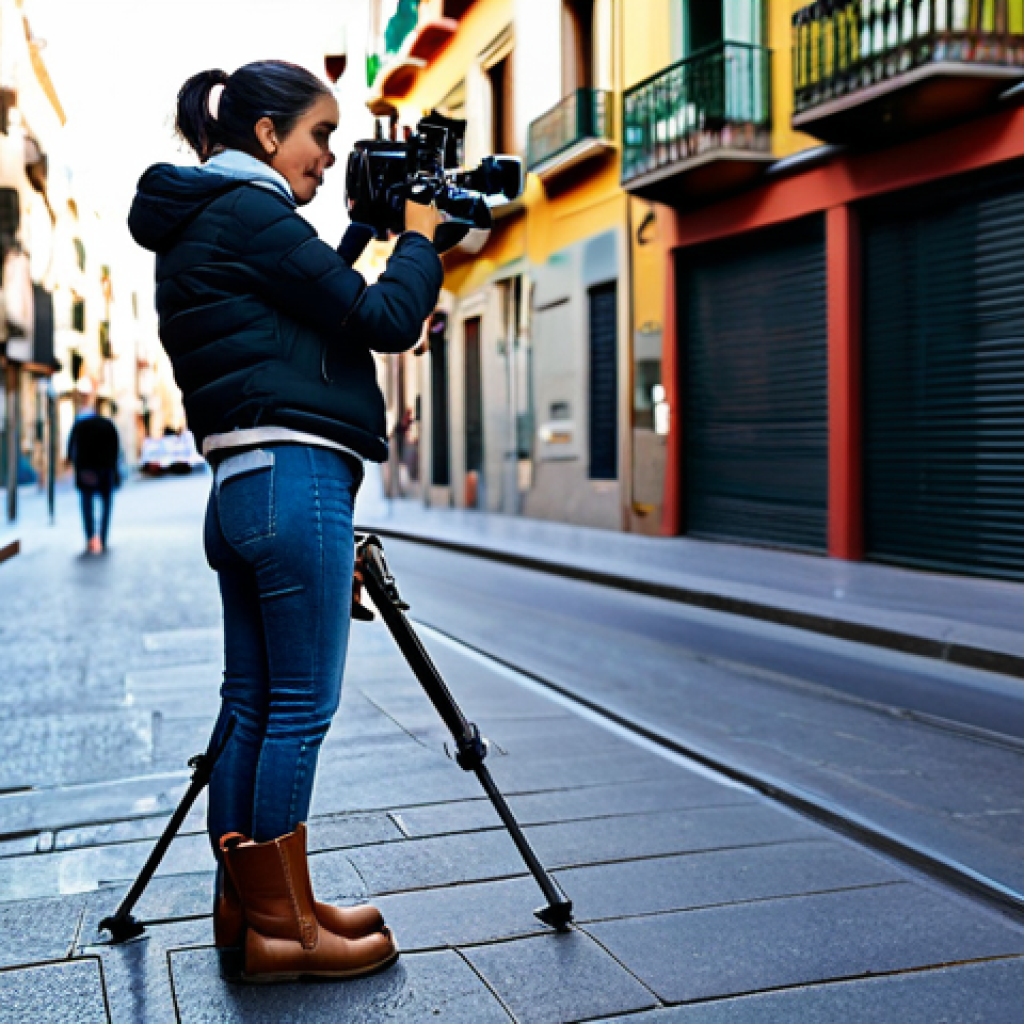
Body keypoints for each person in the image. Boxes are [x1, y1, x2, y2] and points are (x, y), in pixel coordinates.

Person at [128, 61, 443, 984]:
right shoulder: (252, 215)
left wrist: (366, 230)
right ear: (268, 136)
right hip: (294, 478)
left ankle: (256, 909)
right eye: (320, 136)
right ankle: (282, 932)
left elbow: (303, 307)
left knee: (251, 703)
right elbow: (382, 317)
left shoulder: (204, 221)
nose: (330, 155)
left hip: (240, 485)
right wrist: (419, 238)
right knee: (299, 708)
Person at [67, 393, 120, 554]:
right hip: (105, 469)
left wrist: (74, 463)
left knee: (87, 504)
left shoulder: (80, 426)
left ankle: (90, 537)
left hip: (86, 470)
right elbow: (116, 449)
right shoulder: (108, 425)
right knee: (106, 504)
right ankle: (103, 537)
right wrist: (113, 466)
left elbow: (71, 448)